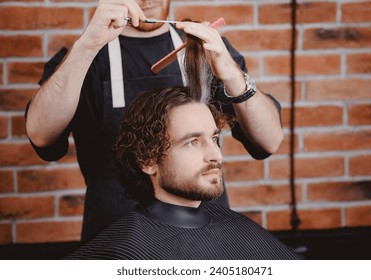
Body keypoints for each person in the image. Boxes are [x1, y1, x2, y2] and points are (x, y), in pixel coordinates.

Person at [25, 0, 284, 242]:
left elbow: (269, 141)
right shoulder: (84, 58)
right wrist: (86, 46)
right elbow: (41, 134)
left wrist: (232, 74)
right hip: (116, 241)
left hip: (205, 239)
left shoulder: (205, 49)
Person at [66, 87, 299, 260]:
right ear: (147, 160)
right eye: (192, 142)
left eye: (214, 139)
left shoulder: (243, 231)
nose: (216, 155)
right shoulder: (121, 253)